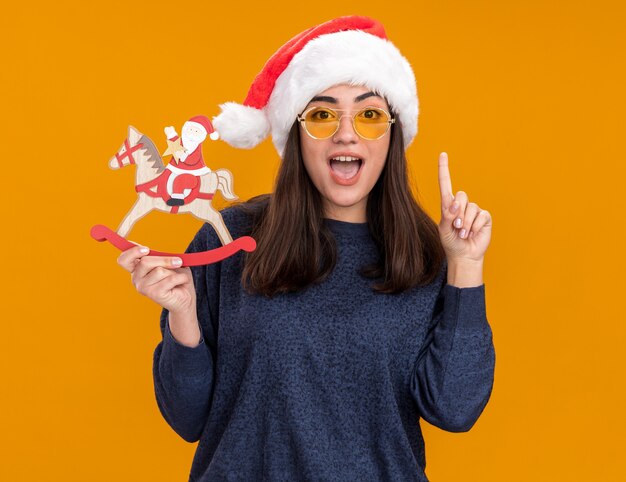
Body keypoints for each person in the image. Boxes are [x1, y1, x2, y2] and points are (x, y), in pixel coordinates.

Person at [117, 16, 495, 482]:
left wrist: (465, 264)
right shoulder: (229, 238)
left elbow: (454, 408)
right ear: (296, 135)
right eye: (321, 114)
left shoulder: (424, 253)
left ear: (393, 133)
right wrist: (183, 316)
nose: (346, 133)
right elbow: (188, 418)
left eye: (370, 114)